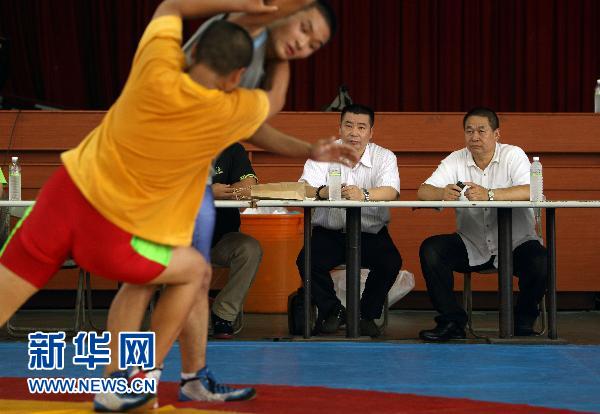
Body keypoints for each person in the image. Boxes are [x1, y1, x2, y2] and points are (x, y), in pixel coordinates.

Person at [0, 0, 359, 412]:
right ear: (238, 77)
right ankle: (137, 378)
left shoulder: (155, 65)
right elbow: (265, 107)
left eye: (314, 44)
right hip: (119, 221)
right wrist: (272, 26)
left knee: (12, 283)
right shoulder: (225, 108)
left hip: (68, 191)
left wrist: (253, 12)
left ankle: (159, 379)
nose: (305, 44)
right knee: (190, 272)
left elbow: (172, 7)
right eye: (305, 30)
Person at [417, 107, 547, 342]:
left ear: (496, 134)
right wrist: (441, 192)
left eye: (481, 131)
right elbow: (423, 191)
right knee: (432, 249)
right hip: (472, 244)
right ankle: (452, 321)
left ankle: (523, 321)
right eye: (469, 131)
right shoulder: (456, 158)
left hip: (517, 244)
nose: (474, 137)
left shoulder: (513, 155)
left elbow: (531, 190)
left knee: (540, 261)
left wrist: (490, 194)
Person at [296, 104, 402, 338]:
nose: (354, 132)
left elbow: (391, 191)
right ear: (340, 127)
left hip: (370, 234)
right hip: (330, 233)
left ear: (371, 132)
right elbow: (303, 187)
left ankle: (366, 314)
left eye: (361, 127)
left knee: (390, 262)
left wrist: (363, 195)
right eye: (349, 125)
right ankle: (334, 311)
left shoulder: (384, 156)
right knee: (306, 261)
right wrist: (322, 192)